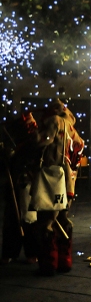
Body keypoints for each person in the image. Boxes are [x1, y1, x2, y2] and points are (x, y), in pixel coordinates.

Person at [33, 99, 84, 275]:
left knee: (47, 220)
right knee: (63, 218)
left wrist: (33, 134)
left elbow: (44, 141)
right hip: (67, 178)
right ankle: (65, 261)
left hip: (52, 177)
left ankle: (49, 264)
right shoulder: (71, 126)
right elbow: (80, 145)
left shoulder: (55, 121)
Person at [1, 111, 40, 265]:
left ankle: (32, 252)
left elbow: (36, 162)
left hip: (28, 184)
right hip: (14, 184)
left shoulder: (35, 143)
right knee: (11, 219)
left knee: (30, 219)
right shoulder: (15, 142)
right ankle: (10, 252)